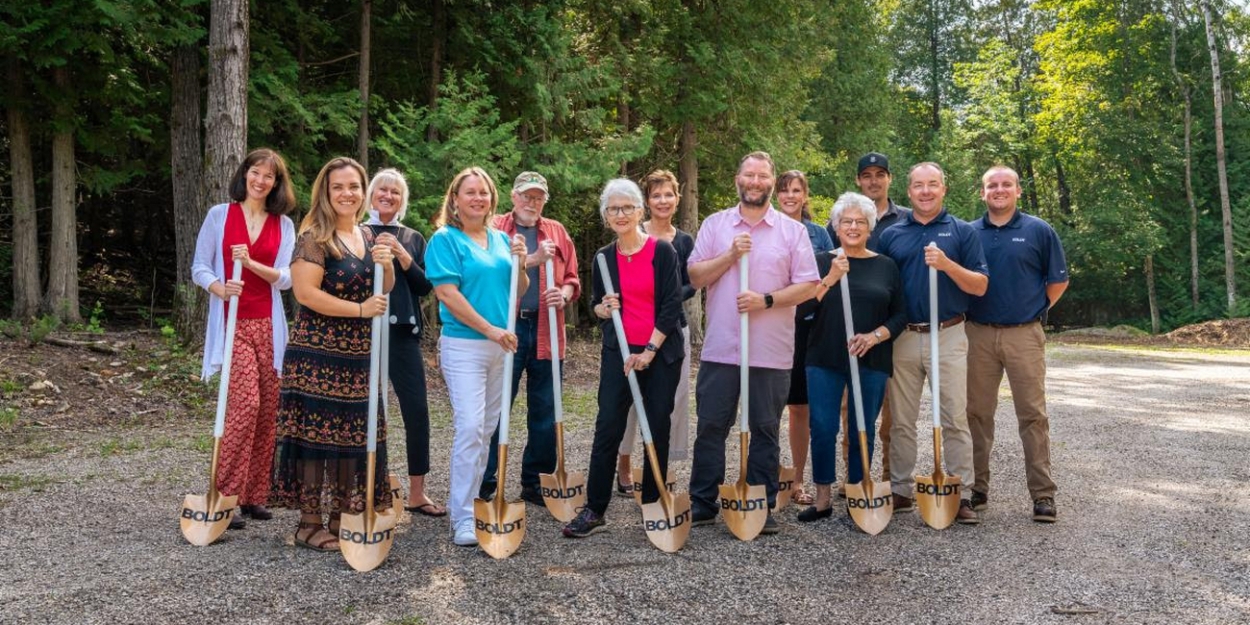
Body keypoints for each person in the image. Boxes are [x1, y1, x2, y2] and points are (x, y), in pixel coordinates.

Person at [686, 151, 820, 535]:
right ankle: (703, 501)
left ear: (771, 182)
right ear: (738, 180)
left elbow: (809, 285)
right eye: (749, 175)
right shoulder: (716, 225)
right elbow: (695, 276)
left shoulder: (791, 232)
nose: (755, 182)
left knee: (764, 427)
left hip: (770, 351)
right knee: (712, 425)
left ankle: (760, 503)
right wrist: (730, 255)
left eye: (763, 176)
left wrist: (766, 301)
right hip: (722, 349)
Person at [270, 157, 396, 552]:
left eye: (354, 186)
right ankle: (308, 524)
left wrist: (386, 265)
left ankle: (343, 515)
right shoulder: (314, 237)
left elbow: (383, 286)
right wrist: (360, 310)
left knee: (352, 436)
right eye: (338, 187)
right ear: (326, 192)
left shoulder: (368, 235)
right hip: (316, 354)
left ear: (363, 192)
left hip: (358, 355)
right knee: (316, 437)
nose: (347, 194)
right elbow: (305, 293)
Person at [562, 179, 685, 537]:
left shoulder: (662, 252)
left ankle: (653, 502)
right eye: (613, 209)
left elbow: (671, 306)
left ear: (639, 212)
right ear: (605, 215)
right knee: (608, 428)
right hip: (620, 353)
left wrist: (649, 351)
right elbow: (597, 304)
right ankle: (595, 508)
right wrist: (601, 308)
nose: (620, 214)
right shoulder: (603, 257)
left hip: (659, 353)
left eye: (627, 207)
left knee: (657, 424)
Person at [877, 161, 989, 525]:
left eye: (933, 185)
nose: (926, 191)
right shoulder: (892, 234)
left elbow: (980, 285)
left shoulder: (962, 232)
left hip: (949, 332)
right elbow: (882, 287)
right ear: (908, 191)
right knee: (902, 421)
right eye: (918, 185)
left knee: (954, 416)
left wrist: (947, 265)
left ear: (944, 189)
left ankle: (960, 490)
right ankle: (901, 489)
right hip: (905, 335)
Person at [191, 148, 297, 530]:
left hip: (268, 324)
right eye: (255, 172)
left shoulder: (283, 225)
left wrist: (252, 264)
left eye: (269, 176)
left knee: (269, 408)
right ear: (245, 174)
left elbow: (286, 278)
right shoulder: (220, 216)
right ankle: (225, 494)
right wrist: (220, 287)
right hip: (232, 323)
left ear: (276, 183)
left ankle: (255, 496)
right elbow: (199, 267)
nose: (261, 180)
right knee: (245, 404)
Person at [424, 167, 529, 547]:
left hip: (501, 347)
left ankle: (475, 503)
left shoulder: (501, 238)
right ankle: (463, 516)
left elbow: (518, 287)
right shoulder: (445, 240)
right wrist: (490, 330)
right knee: (469, 426)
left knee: (487, 429)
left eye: (483, 192)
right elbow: (448, 294)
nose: (478, 198)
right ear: (455, 199)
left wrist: (520, 261)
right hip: (465, 345)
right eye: (470, 192)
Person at [966, 165, 1068, 523]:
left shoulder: (1038, 230)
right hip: (976, 333)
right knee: (977, 415)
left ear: (1018, 190)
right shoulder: (969, 233)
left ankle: (1043, 495)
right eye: (992, 185)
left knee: (1032, 415)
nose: (999, 189)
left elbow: (1058, 281)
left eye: (1006, 184)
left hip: (1025, 333)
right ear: (982, 193)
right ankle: (975, 488)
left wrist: (1036, 309)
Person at [799, 192, 905, 522]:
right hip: (825, 356)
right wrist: (830, 278)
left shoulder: (885, 266)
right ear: (835, 226)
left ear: (871, 227)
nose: (854, 227)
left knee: (863, 427)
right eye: (847, 221)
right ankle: (822, 497)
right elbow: (803, 308)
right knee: (823, 425)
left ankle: (859, 491)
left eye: (861, 222)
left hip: (871, 358)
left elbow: (900, 315)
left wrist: (874, 337)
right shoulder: (820, 261)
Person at [479, 171, 580, 505]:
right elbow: (485, 274)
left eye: (538, 197)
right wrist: (531, 261)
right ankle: (486, 479)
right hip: (504, 330)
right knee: (495, 407)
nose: (531, 203)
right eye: (526, 196)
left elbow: (572, 278)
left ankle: (536, 482)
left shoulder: (556, 232)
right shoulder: (493, 228)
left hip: (546, 329)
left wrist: (563, 294)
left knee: (545, 409)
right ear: (513, 196)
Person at [362, 168, 445, 517]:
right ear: (371, 194)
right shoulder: (357, 232)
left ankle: (416, 492)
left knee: (416, 411)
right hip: (363, 331)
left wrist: (402, 254)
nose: (388, 196)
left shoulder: (412, 237)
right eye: (382, 189)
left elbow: (426, 286)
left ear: (402, 200)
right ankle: (369, 487)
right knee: (366, 412)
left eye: (395, 192)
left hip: (402, 332)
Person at [831, 153, 913, 491]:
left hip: (893, 327)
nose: (874, 180)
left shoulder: (907, 221)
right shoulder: (843, 219)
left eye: (881, 174)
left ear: (890, 179)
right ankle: (855, 478)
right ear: (858, 180)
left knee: (893, 413)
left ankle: (888, 481)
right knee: (852, 410)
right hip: (852, 330)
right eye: (867, 175)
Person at [615, 169, 696, 495]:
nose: (663, 201)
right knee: (630, 401)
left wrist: (669, 294)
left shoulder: (684, 240)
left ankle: (659, 468)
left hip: (673, 330)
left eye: (668, 195)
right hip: (635, 329)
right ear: (646, 201)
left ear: (677, 199)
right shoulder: (633, 232)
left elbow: (692, 282)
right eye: (656, 195)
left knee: (668, 403)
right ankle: (623, 465)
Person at [775, 170, 835, 507]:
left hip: (807, 326)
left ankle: (796, 480)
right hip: (771, 325)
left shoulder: (819, 235)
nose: (790, 196)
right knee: (766, 407)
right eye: (784, 190)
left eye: (796, 190)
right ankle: (768, 476)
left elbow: (826, 281)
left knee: (800, 408)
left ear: (805, 194)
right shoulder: (766, 229)